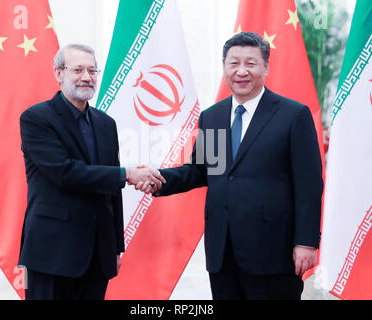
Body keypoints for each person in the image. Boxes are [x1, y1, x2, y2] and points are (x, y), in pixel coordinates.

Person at [137, 32, 323, 300]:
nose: (241, 71)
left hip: (273, 252)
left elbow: (309, 184)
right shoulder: (212, 117)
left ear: (266, 67)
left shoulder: (293, 115)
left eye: (251, 63)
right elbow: (201, 170)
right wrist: (157, 179)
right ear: (224, 67)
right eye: (234, 63)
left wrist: (306, 242)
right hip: (223, 252)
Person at [18, 43, 164, 300]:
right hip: (52, 252)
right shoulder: (36, 118)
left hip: (98, 254)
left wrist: (116, 247)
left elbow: (112, 192)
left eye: (92, 70)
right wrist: (126, 174)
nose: (86, 77)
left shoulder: (106, 124)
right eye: (78, 70)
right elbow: (65, 172)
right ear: (59, 73)